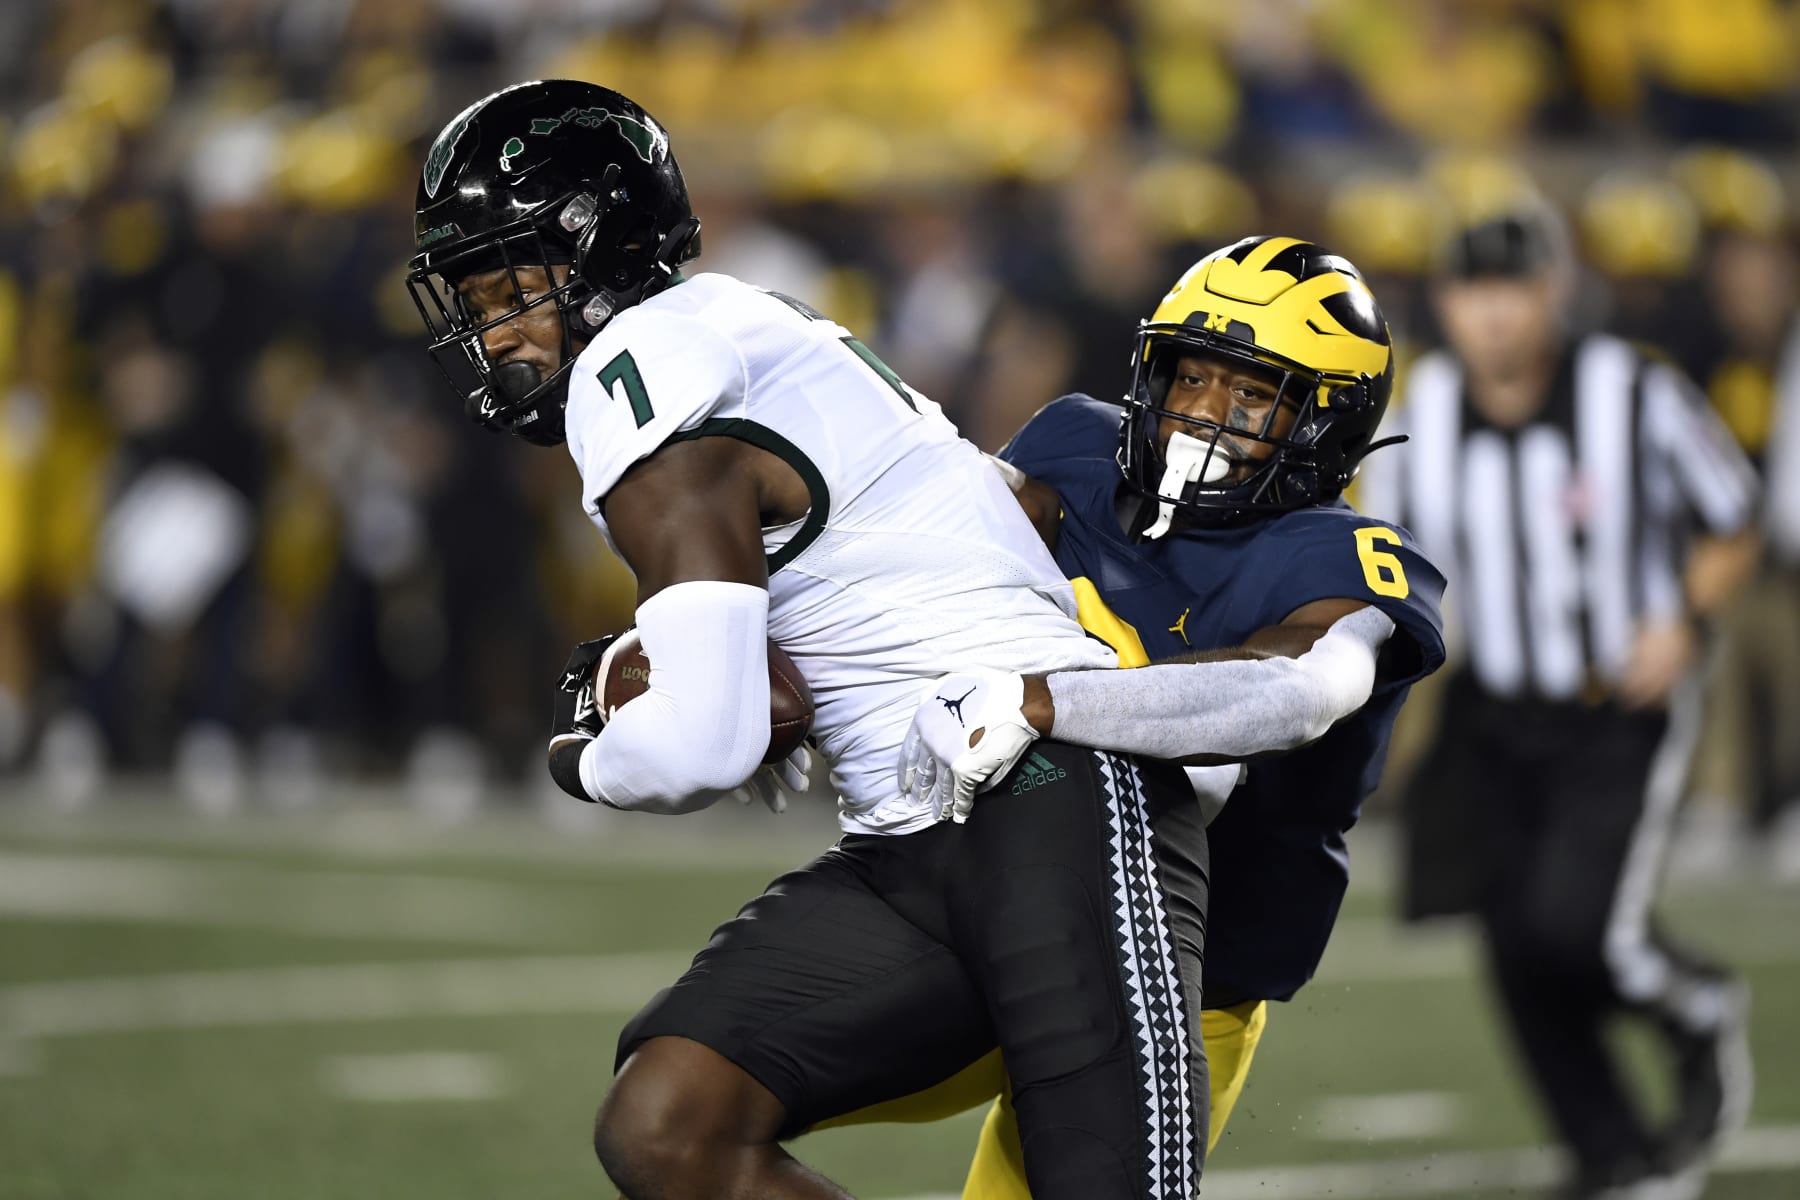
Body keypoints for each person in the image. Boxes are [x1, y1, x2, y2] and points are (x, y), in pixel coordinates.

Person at [407, 80, 1384, 1200]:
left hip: (1059, 801)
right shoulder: (724, 327)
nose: (495, 329)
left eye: (505, 285)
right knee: (670, 1122)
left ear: (591, 251)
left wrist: (580, 753)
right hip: (914, 833)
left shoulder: (643, 373)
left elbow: (700, 749)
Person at [863, 236, 1445, 1195]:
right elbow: (929, 563)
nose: (1200, 417)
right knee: (697, 1096)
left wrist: (1044, 700)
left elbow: (1290, 692)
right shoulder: (1075, 450)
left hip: (1179, 989)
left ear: (1328, 423)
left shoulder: (1351, 561)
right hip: (992, 912)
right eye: (1191, 378)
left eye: (1251, 396)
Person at [1361, 209, 1761, 1200]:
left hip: (1612, 708)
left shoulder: (1633, 393)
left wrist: (1682, 626)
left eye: (1513, 290)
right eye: (1473, 292)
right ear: (1448, 303)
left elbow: (1733, 517)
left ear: (1551, 293)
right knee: (1511, 946)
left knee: (1583, 929)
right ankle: (1612, 1154)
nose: (1493, 315)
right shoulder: (1427, 410)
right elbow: (1378, 556)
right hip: (1493, 714)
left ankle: (1699, 1004)